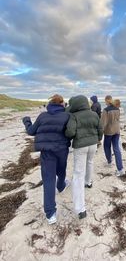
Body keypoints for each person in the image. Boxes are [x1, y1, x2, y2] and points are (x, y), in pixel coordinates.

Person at [22, 94, 70, 225]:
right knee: (61, 171)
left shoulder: (43, 116)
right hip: (61, 149)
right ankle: (61, 185)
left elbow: (31, 131)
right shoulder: (67, 116)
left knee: (49, 180)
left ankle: (50, 214)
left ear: (50, 103)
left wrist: (26, 121)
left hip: (47, 151)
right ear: (62, 104)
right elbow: (70, 132)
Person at [65, 95, 103, 219]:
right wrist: (98, 139)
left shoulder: (74, 116)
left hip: (81, 146)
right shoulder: (94, 114)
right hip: (93, 144)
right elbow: (100, 128)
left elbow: (70, 132)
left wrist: (68, 135)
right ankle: (89, 182)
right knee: (90, 162)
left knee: (77, 174)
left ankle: (80, 208)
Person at [101, 95, 125, 177]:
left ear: (106, 101)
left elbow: (103, 123)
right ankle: (120, 169)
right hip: (117, 131)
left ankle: (109, 162)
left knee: (106, 147)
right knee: (116, 148)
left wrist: (100, 132)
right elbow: (118, 120)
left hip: (109, 132)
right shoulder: (117, 109)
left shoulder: (105, 110)